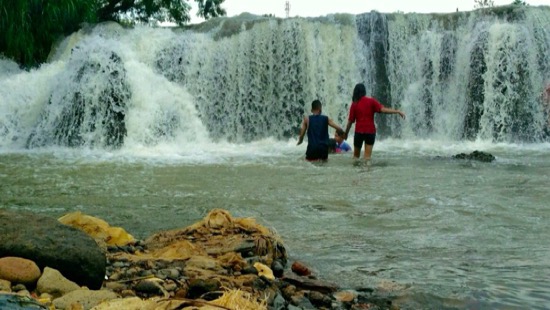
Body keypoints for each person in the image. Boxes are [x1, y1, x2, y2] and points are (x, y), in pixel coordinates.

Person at [344, 83, 406, 160]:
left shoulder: (354, 104)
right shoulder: (371, 101)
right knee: (367, 158)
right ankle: (368, 171)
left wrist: (346, 133)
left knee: (356, 157)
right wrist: (397, 111)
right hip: (370, 132)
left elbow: (350, 122)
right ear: (364, 91)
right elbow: (383, 110)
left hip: (359, 132)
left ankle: (357, 171)